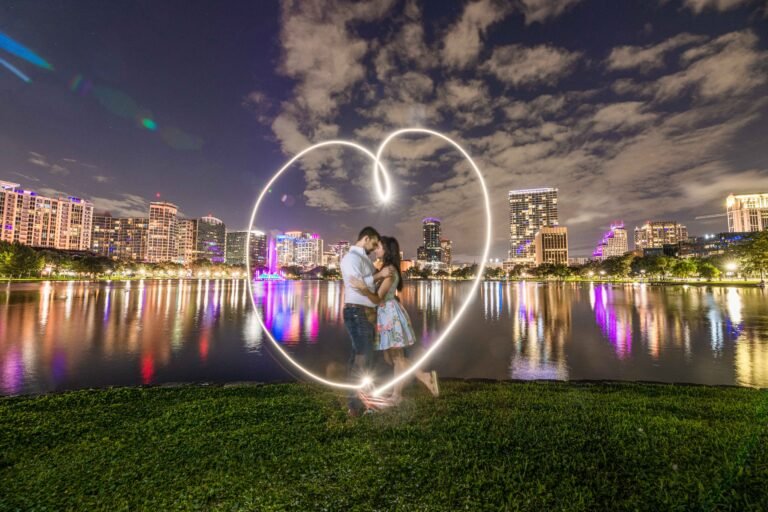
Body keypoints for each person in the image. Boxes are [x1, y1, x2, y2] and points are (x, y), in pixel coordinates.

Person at [351, 236, 439, 405]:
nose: (376, 250)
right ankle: (420, 379)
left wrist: (363, 289)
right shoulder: (386, 269)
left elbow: (377, 298)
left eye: (379, 247)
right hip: (388, 314)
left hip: (389, 314)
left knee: (397, 358)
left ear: (387, 250)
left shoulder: (389, 271)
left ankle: (403, 391)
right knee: (393, 358)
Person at [340, 226, 392, 416]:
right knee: (363, 357)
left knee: (361, 357)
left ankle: (359, 401)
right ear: (366, 239)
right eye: (375, 242)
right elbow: (359, 285)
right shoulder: (351, 258)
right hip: (357, 312)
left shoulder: (364, 259)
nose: (376, 246)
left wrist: (379, 278)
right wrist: (379, 276)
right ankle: (356, 405)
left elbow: (366, 283)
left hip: (366, 312)